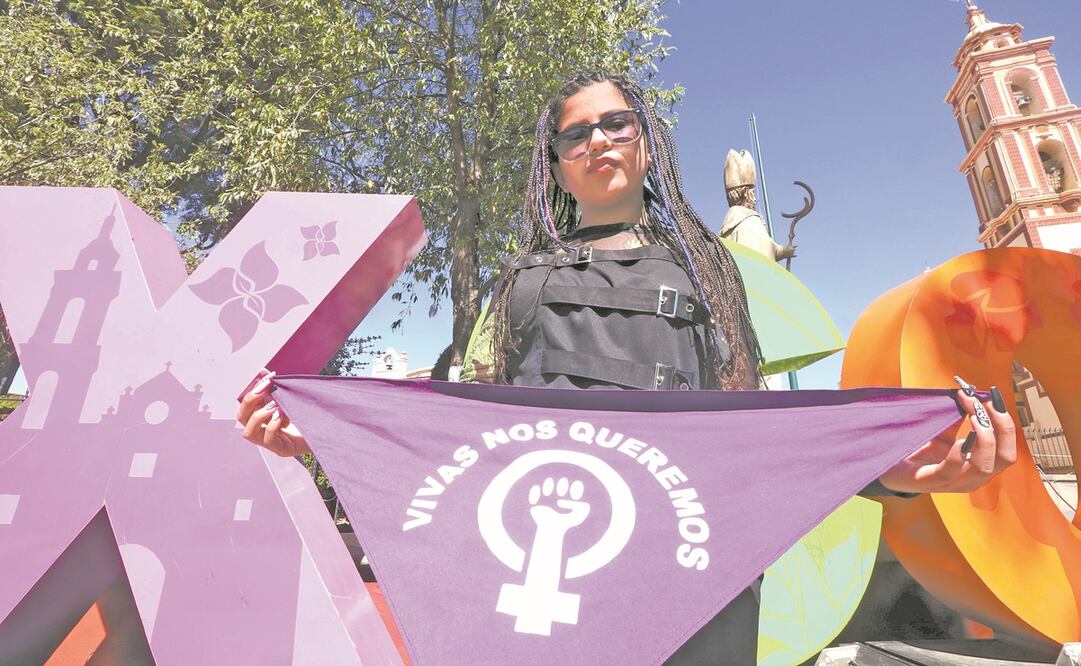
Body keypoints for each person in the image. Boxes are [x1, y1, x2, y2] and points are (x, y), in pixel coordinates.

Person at [237, 72, 1017, 664]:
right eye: (575, 134)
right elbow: (459, 437)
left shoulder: (712, 273)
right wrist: (324, 440)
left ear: (647, 141)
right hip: (541, 597)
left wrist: (895, 473)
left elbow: (751, 435)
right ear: (555, 162)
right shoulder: (516, 283)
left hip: (690, 583)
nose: (598, 141)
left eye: (617, 123)